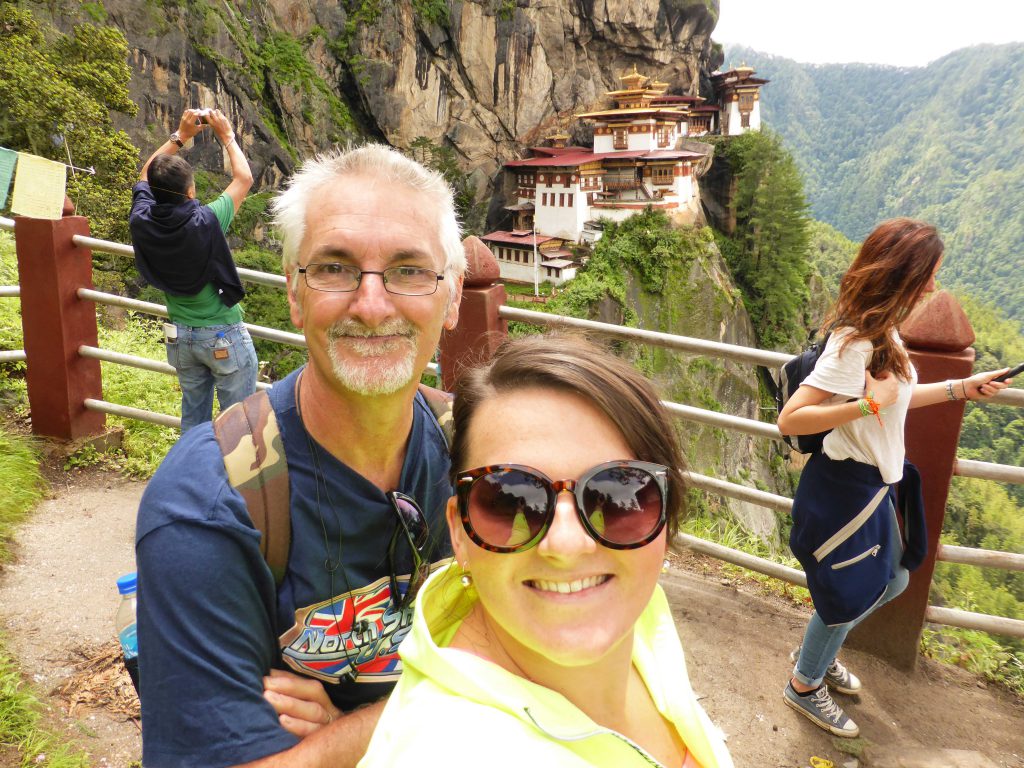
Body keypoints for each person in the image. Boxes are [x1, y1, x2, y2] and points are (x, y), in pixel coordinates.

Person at [134, 144, 465, 768]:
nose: (371, 305)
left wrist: (346, 734)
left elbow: (556, 674)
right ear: (294, 292)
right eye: (336, 268)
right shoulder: (211, 502)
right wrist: (456, 709)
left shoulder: (482, 459)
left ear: (451, 298)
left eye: (411, 270)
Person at [358, 334, 735, 768]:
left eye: (616, 494)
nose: (567, 544)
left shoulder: (638, 612)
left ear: (664, 519)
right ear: (458, 533)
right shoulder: (440, 750)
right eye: (510, 499)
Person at [777, 218, 1012, 738]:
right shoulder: (854, 345)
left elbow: (897, 400)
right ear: (903, 275)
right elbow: (790, 420)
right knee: (851, 593)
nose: (933, 287)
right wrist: (864, 404)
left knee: (891, 580)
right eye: (927, 275)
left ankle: (818, 653)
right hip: (844, 490)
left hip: (872, 488)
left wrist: (960, 388)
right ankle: (804, 684)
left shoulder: (885, 334)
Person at [129, 107, 260, 432]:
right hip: (222, 336)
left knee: (194, 424)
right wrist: (227, 135)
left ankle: (192, 478)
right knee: (239, 428)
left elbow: (144, 175)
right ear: (190, 192)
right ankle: (233, 484)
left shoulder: (142, 219)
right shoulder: (206, 219)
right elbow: (244, 179)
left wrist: (180, 136)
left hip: (181, 338)